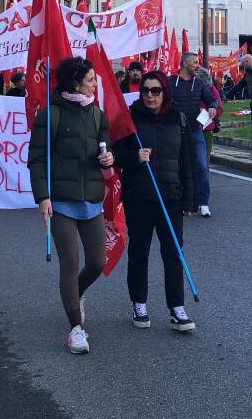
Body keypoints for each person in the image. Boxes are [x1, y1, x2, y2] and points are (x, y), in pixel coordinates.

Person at [28, 56, 114, 354]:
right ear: (75, 81)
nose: (95, 83)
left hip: (91, 198)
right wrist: (42, 197)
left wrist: (109, 158)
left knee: (98, 262)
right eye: (90, 79)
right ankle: (76, 329)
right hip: (60, 200)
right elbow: (36, 159)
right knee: (70, 263)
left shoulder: (97, 114)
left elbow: (107, 148)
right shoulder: (50, 114)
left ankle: (76, 295)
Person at [113, 71, 198, 332]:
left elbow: (187, 161)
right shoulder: (129, 118)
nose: (150, 95)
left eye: (156, 90)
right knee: (139, 252)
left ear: (165, 92)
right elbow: (114, 154)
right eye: (146, 91)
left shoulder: (179, 118)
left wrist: (190, 199)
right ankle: (139, 302)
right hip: (139, 195)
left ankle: (176, 307)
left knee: (173, 252)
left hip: (171, 195)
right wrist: (134, 157)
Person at [170, 53, 218, 217]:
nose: (197, 65)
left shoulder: (199, 84)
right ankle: (181, 201)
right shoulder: (170, 82)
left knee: (202, 167)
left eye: (198, 62)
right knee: (175, 168)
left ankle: (204, 203)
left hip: (196, 131)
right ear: (184, 63)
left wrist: (212, 106)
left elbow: (212, 100)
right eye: (194, 62)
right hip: (174, 132)